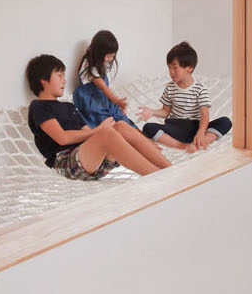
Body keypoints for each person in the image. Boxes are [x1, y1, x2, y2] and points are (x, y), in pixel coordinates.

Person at [26, 55, 170, 181]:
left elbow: (88, 133)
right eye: (59, 76)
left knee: (120, 126)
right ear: (43, 80)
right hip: (65, 163)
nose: (64, 81)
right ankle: (158, 176)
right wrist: (100, 130)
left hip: (90, 158)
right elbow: (62, 138)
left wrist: (104, 131)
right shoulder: (39, 106)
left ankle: (170, 170)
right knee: (106, 133)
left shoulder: (68, 106)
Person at [141, 41, 232, 152]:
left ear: (189, 68)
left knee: (225, 121)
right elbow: (165, 112)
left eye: (175, 68)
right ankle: (183, 146)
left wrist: (201, 132)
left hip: (195, 127)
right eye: (169, 68)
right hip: (175, 127)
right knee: (148, 128)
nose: (171, 72)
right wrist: (152, 112)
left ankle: (202, 141)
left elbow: (204, 116)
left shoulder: (200, 89)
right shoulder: (170, 88)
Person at [72, 29, 134, 128]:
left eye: (112, 56)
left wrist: (115, 102)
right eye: (109, 56)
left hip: (103, 95)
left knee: (120, 116)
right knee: (106, 121)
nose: (110, 59)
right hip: (90, 99)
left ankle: (134, 132)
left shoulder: (100, 60)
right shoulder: (89, 65)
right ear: (99, 52)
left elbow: (105, 89)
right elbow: (103, 87)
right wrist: (116, 100)